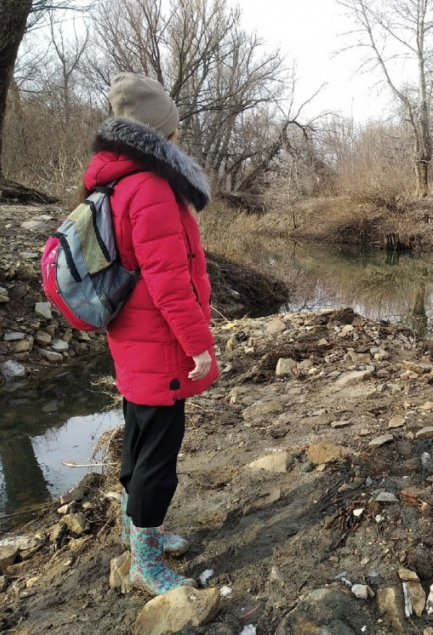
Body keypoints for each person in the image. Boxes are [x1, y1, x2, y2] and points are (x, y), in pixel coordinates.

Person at [82, 72, 219, 594]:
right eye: (173, 128)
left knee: (136, 438)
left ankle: (136, 528)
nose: (178, 136)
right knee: (159, 457)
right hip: (159, 344)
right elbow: (171, 285)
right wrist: (199, 347)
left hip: (130, 338)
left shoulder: (114, 182)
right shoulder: (153, 189)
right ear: (159, 134)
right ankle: (145, 559)